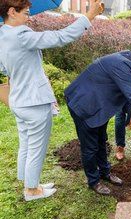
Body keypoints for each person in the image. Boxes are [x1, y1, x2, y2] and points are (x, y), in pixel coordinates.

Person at [0, 0, 103, 201]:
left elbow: (4, 70)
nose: (28, 17)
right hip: (34, 102)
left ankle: (29, 183)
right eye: (25, 12)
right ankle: (31, 191)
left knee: (27, 144)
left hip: (18, 101)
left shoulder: (2, 35)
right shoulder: (21, 35)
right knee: (36, 148)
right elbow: (60, 37)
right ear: (12, 12)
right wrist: (89, 16)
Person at [65, 41, 131, 195]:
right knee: (90, 147)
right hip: (84, 104)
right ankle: (94, 181)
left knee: (101, 140)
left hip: (98, 105)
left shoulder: (125, 58)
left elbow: (126, 86)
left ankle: (105, 172)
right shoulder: (123, 64)